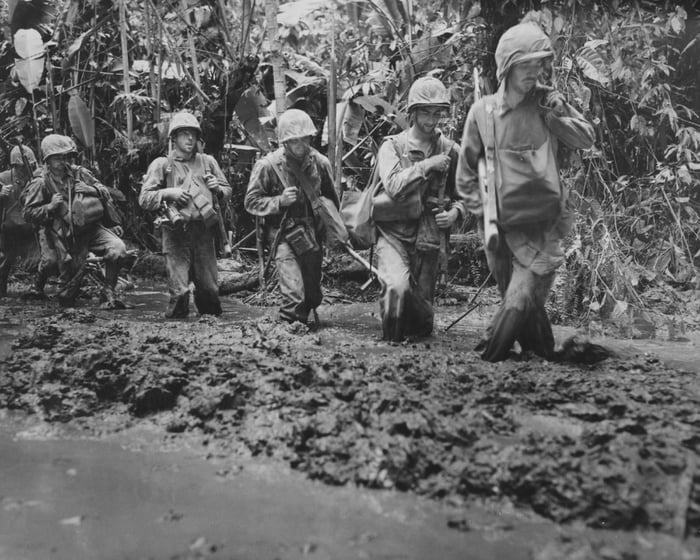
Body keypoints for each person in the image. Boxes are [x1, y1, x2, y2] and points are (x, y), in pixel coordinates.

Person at [456, 22, 595, 362]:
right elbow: (464, 177)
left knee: (519, 299)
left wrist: (557, 115)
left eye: (539, 64)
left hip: (542, 225)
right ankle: (546, 356)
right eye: (526, 64)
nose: (534, 71)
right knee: (522, 303)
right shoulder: (482, 112)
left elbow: (587, 139)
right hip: (497, 229)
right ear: (507, 66)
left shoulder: (546, 103)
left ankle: (488, 359)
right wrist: (487, 212)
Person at [373, 76, 465, 341]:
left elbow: (466, 194)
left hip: (429, 239)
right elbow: (393, 185)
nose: (432, 119)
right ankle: (388, 349)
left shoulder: (450, 150)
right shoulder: (392, 146)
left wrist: (455, 213)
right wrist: (427, 165)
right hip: (393, 234)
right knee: (396, 289)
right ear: (412, 113)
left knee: (422, 320)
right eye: (425, 111)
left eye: (437, 113)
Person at [245, 108, 339, 326]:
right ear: (284, 142)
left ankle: (304, 327)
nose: (300, 145)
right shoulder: (268, 166)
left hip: (312, 236)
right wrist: (279, 201)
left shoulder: (320, 164)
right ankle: (288, 334)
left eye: (304, 139)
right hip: (283, 236)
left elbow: (332, 201)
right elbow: (251, 202)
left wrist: (333, 233)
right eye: (294, 141)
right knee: (294, 295)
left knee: (313, 296)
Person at [140, 111, 232, 318]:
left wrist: (217, 188)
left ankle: (212, 334)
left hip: (204, 233)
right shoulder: (162, 165)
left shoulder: (208, 162)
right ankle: (175, 333)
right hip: (175, 233)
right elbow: (144, 198)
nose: (190, 138)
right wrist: (168, 193)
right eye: (184, 134)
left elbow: (227, 193)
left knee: (209, 291)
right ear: (174, 138)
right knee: (180, 292)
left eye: (192, 134)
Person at [23, 134, 128, 308]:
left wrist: (92, 189)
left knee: (118, 249)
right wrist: (49, 206)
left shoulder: (80, 173)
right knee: (64, 290)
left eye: (65, 156)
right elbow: (27, 213)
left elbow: (105, 192)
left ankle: (109, 290)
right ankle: (43, 288)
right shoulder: (40, 183)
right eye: (57, 157)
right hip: (60, 234)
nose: (63, 161)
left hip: (90, 228)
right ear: (47, 160)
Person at [0, 145, 38, 296]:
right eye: (21, 167)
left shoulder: (37, 178)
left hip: (30, 231)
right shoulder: (3, 178)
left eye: (28, 166)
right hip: (7, 232)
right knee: (3, 264)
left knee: (42, 262)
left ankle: (37, 291)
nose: (24, 170)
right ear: (14, 166)